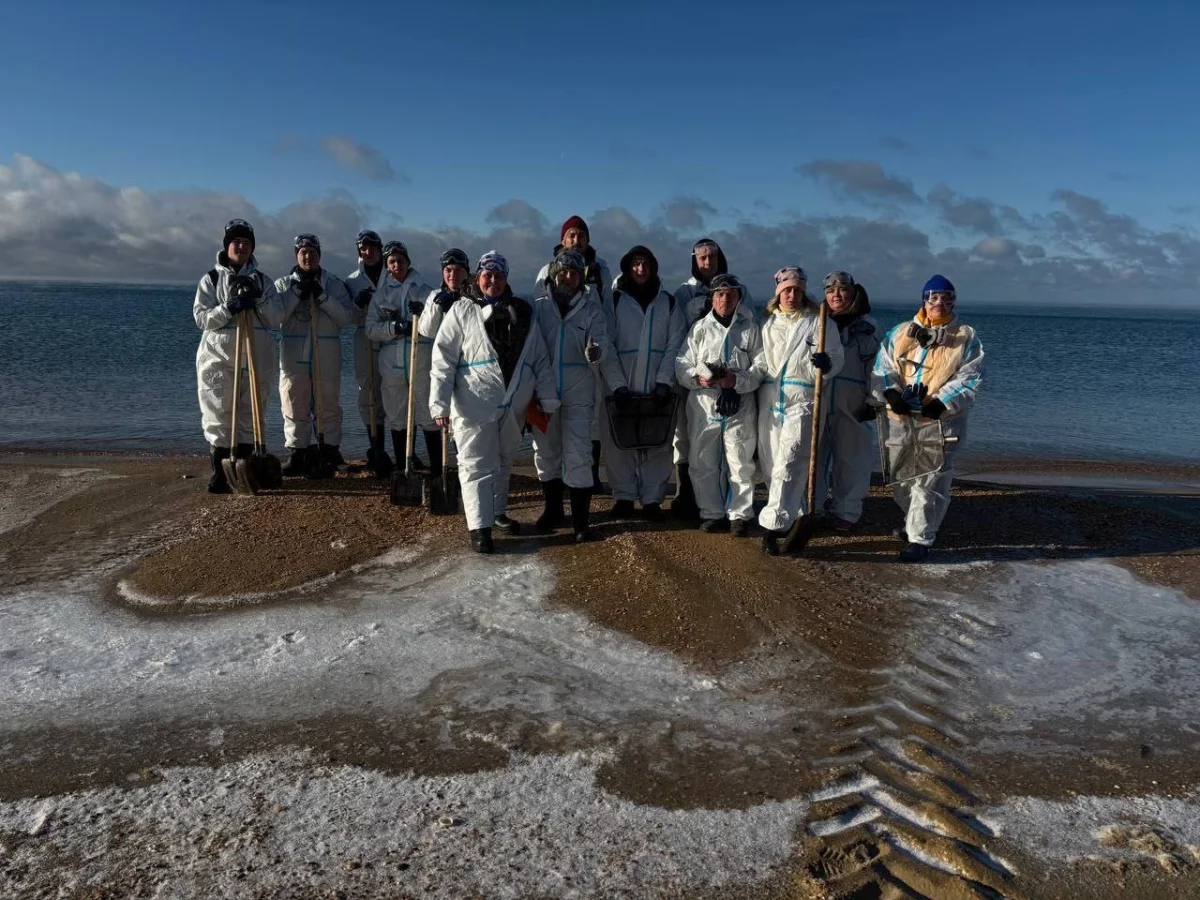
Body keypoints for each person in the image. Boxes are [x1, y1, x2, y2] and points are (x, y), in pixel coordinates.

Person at [430, 252, 559, 553]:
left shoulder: (522, 312)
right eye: (487, 275)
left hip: (513, 403)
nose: (493, 281)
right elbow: (443, 359)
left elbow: (539, 359)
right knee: (475, 463)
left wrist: (548, 397)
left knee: (502, 460)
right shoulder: (462, 310)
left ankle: (497, 514)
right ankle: (480, 528)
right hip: (473, 402)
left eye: (499, 276)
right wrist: (439, 403)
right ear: (477, 277)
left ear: (506, 279)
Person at [873, 274, 984, 562]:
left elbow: (970, 376)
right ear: (924, 300)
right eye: (934, 298)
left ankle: (920, 538)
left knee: (930, 480)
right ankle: (914, 523)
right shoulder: (900, 333)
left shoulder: (966, 336)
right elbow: (883, 367)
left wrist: (941, 402)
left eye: (946, 298)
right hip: (900, 420)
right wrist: (892, 394)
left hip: (941, 421)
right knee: (901, 480)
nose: (940, 303)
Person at [531, 249, 626, 542]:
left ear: (581, 278)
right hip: (545, 390)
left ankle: (581, 523)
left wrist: (597, 352)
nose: (568, 278)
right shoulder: (539, 308)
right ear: (554, 275)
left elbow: (603, 343)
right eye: (564, 273)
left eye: (574, 274)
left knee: (579, 454)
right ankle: (552, 510)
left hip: (580, 390)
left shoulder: (591, 309)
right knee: (546, 452)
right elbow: (529, 348)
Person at [756, 267, 843, 555]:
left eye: (796, 290)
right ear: (778, 292)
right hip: (771, 400)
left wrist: (827, 364)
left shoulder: (819, 322)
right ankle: (795, 516)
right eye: (787, 290)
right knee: (771, 465)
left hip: (804, 399)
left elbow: (837, 357)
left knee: (790, 462)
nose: (792, 295)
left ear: (804, 292)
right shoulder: (768, 324)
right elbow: (761, 362)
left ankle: (771, 529)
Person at [669, 238, 756, 520]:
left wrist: (736, 383)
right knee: (694, 449)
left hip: (737, 394)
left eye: (712, 256)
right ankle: (699, 504)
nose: (707, 262)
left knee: (739, 457)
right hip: (700, 394)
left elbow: (758, 360)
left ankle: (738, 514)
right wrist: (696, 378)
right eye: (702, 257)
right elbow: (680, 350)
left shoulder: (747, 320)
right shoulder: (687, 301)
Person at [193, 219, 283, 492]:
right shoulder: (211, 279)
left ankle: (245, 466)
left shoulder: (263, 281)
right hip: (218, 356)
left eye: (246, 242)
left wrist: (258, 300)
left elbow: (276, 318)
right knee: (218, 410)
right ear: (227, 246)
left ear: (252, 247)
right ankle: (220, 470)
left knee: (251, 411)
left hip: (255, 355)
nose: (241, 247)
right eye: (236, 242)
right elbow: (201, 318)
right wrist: (229, 307)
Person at [601, 245, 689, 521]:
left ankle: (652, 499)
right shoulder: (614, 301)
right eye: (636, 263)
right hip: (622, 384)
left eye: (646, 264)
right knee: (618, 443)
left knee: (658, 443)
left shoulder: (668, 302)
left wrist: (664, 381)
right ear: (628, 267)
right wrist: (617, 385)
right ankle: (624, 497)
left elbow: (676, 343)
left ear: (653, 268)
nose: (641, 269)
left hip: (656, 384)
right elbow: (606, 343)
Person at [274, 234, 354, 475]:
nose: (308, 256)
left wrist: (322, 296)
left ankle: (329, 450)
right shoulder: (283, 285)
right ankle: (297, 451)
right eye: (303, 252)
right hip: (293, 351)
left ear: (319, 255)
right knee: (293, 401)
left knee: (328, 400)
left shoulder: (334, 284)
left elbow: (346, 317)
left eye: (312, 252)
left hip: (326, 350)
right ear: (296, 255)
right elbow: (275, 316)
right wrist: (295, 293)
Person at [815, 271, 881, 532]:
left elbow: (877, 368)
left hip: (852, 401)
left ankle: (847, 511)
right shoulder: (817, 324)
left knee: (851, 459)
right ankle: (814, 507)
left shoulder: (866, 328)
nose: (837, 295)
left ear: (854, 293)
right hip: (819, 398)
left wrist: (874, 400)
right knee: (815, 457)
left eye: (843, 290)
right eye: (831, 291)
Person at [366, 242, 438, 477]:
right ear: (387, 266)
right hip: (392, 362)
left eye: (400, 260)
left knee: (428, 412)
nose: (397, 265)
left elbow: (439, 325)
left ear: (408, 262)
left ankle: (437, 469)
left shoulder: (425, 291)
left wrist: (422, 317)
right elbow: (370, 329)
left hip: (421, 359)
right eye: (392, 261)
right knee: (397, 415)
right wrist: (393, 327)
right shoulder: (381, 295)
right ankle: (403, 466)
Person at [345, 230, 390, 476]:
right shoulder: (352, 281)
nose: (369, 251)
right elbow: (347, 318)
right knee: (368, 391)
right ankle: (376, 447)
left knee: (396, 389)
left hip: (391, 337)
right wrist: (358, 304)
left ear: (380, 249)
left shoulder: (393, 274)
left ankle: (407, 450)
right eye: (364, 248)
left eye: (373, 247)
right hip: (364, 337)